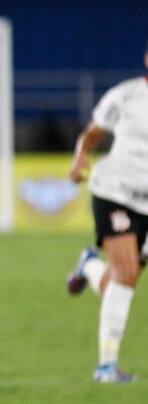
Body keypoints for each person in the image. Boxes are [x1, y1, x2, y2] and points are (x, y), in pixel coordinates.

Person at [66, 42, 148, 383]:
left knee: (121, 281)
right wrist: (79, 157)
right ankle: (106, 367)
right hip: (115, 191)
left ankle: (90, 266)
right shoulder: (126, 96)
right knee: (127, 273)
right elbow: (92, 133)